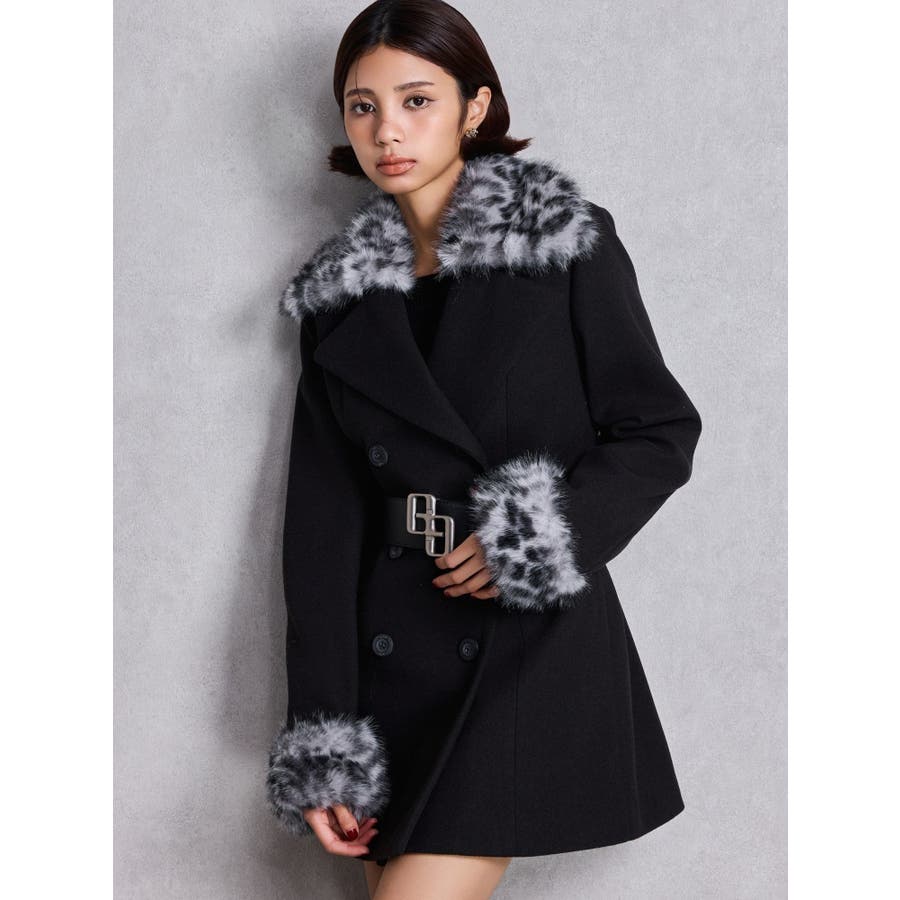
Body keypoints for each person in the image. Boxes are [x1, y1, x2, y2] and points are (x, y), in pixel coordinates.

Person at [266, 2, 703, 898]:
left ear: (475, 107)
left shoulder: (564, 245)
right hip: (397, 660)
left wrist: (535, 539)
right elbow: (323, 529)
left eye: (416, 100)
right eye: (362, 106)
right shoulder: (337, 303)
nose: (387, 131)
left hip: (526, 645)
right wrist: (327, 739)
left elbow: (658, 429)